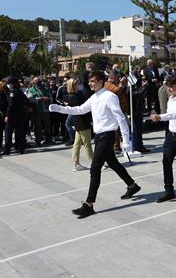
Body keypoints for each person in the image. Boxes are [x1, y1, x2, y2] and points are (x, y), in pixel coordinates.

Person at [49, 71, 140, 218]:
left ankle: (89, 204)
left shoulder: (110, 96)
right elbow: (80, 109)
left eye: (93, 81)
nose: (90, 83)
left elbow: (120, 117)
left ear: (101, 81)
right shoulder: (94, 97)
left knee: (95, 168)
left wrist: (126, 140)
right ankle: (132, 185)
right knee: (114, 163)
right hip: (98, 136)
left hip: (107, 136)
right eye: (89, 81)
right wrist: (60, 109)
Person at [64, 79, 93, 172]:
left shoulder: (73, 96)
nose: (78, 85)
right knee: (87, 144)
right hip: (82, 122)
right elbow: (81, 110)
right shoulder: (74, 97)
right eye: (76, 84)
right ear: (72, 86)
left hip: (79, 122)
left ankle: (76, 164)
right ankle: (94, 163)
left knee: (77, 145)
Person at [2, 78, 28, 155]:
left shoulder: (12, 92)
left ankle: (6, 150)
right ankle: (21, 148)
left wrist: (7, 115)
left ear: (13, 84)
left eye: (9, 84)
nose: (8, 85)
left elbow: (11, 105)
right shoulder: (20, 92)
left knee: (8, 133)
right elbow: (26, 102)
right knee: (20, 132)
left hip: (12, 116)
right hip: (21, 115)